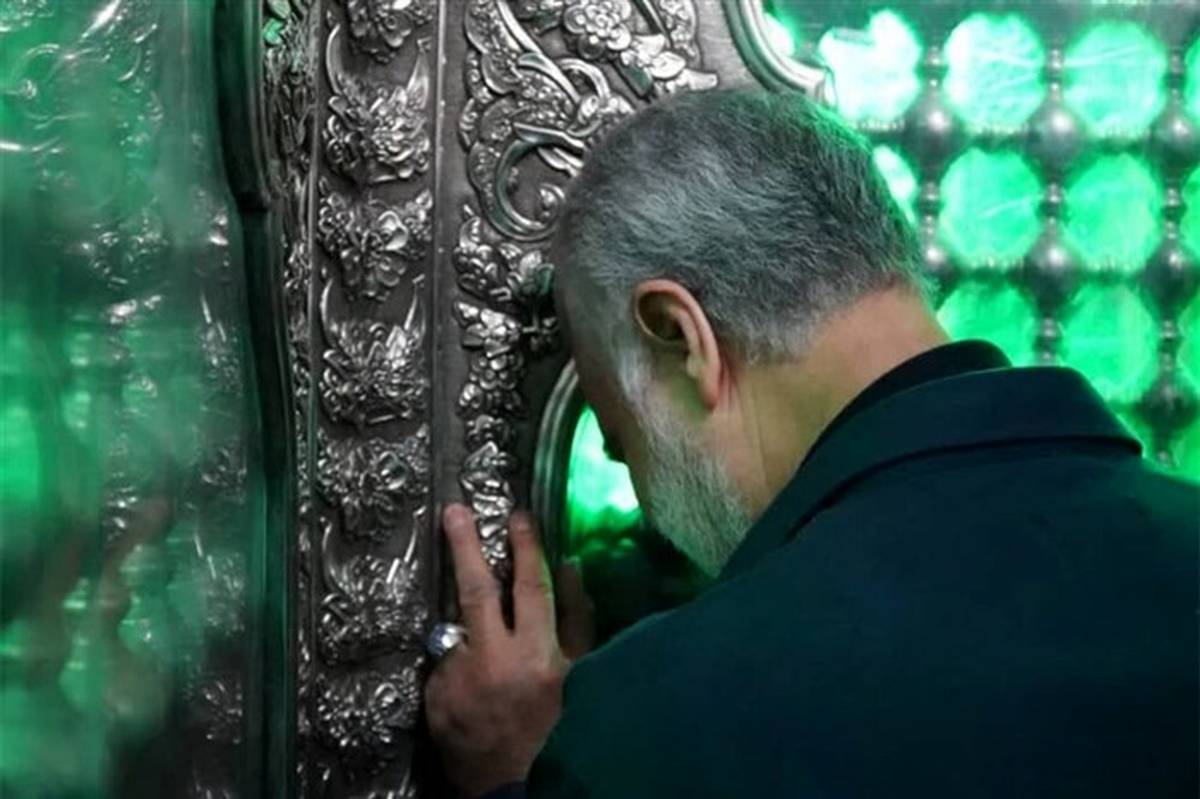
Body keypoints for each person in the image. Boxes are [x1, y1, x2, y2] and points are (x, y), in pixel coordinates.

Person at [424, 88, 1199, 798]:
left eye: (618, 434)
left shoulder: (672, 723)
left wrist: (522, 774)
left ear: (682, 338)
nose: (633, 482)